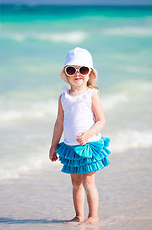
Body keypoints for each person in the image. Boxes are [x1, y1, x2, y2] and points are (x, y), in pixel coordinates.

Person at [49, 47, 111, 225]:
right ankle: (79, 215)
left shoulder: (91, 95)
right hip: (70, 147)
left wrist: (88, 134)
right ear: (66, 74)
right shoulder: (63, 97)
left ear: (89, 73)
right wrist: (53, 145)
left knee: (89, 181)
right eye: (71, 70)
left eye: (82, 69)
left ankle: (93, 216)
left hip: (89, 145)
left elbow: (101, 121)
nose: (77, 74)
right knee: (76, 183)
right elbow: (59, 123)